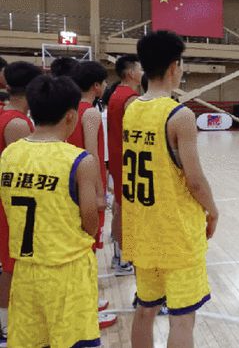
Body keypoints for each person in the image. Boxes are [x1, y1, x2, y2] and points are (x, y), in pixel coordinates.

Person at [126, 31, 217, 348]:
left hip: (141, 228)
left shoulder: (132, 109)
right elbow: (195, 180)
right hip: (175, 232)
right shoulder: (180, 115)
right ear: (174, 66)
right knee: (182, 318)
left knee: (144, 310)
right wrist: (213, 210)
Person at [0, 74, 100, 347]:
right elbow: (91, 221)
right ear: (71, 116)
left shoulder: (9, 154)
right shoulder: (79, 160)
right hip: (67, 271)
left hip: (25, 271)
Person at [69, 61, 118, 329]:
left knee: (79, 248)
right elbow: (92, 155)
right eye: (104, 82)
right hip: (86, 186)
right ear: (97, 86)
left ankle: (84, 301)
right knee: (87, 250)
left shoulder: (68, 109)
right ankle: (86, 309)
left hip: (71, 185)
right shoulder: (89, 113)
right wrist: (99, 191)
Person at [0, 62, 42, 346]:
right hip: (11, 203)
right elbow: (25, 171)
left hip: (9, 200)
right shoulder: (17, 123)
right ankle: (5, 325)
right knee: (11, 264)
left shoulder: (10, 116)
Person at [107, 55, 142, 276]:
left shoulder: (116, 94)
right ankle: (123, 258)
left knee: (119, 206)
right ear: (131, 73)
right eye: (140, 69)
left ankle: (119, 256)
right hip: (128, 162)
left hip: (117, 158)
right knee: (125, 210)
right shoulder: (130, 99)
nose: (143, 73)